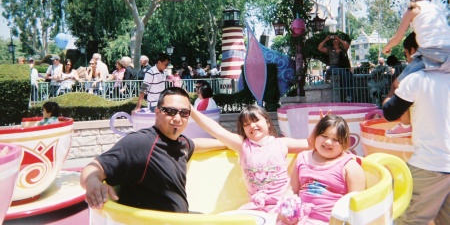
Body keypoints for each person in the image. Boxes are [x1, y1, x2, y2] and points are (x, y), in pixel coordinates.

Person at [80, 87, 226, 211]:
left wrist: (227, 143)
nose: (177, 118)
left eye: (184, 113)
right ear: (157, 112)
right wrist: (93, 183)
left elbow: (196, 144)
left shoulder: (181, 143)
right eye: (170, 111)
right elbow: (94, 168)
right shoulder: (141, 143)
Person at [190, 105, 314, 213]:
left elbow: (310, 144)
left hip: (282, 205)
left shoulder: (282, 143)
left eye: (255, 121)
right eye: (247, 124)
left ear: (268, 122)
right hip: (256, 207)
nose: (252, 126)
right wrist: (191, 110)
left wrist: (322, 125)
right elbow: (216, 130)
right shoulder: (243, 145)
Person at [382, 0, 450, 136]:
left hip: (430, 54)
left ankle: (405, 125)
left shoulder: (413, 8)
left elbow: (398, 37)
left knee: (398, 84)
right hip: (447, 54)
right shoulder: (436, 8)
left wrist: (387, 48)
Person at [382, 68, 450, 224]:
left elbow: (390, 113)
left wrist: (392, 92)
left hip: (430, 164)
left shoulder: (416, 79)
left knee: (407, 218)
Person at [277, 115, 366, 224]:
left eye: (335, 139)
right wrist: (286, 208)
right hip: (299, 218)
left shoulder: (349, 166)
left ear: (344, 143)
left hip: (329, 221)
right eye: (324, 136)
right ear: (315, 136)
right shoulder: (303, 158)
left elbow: (357, 202)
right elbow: (292, 189)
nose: (328, 142)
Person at [317, 35, 353, 102]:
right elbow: (320, 48)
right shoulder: (330, 49)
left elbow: (347, 45)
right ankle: (348, 95)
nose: (335, 41)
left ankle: (349, 95)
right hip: (333, 67)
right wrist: (326, 39)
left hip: (342, 67)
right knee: (344, 73)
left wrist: (339, 39)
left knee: (350, 75)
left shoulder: (342, 49)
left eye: (336, 40)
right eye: (334, 40)